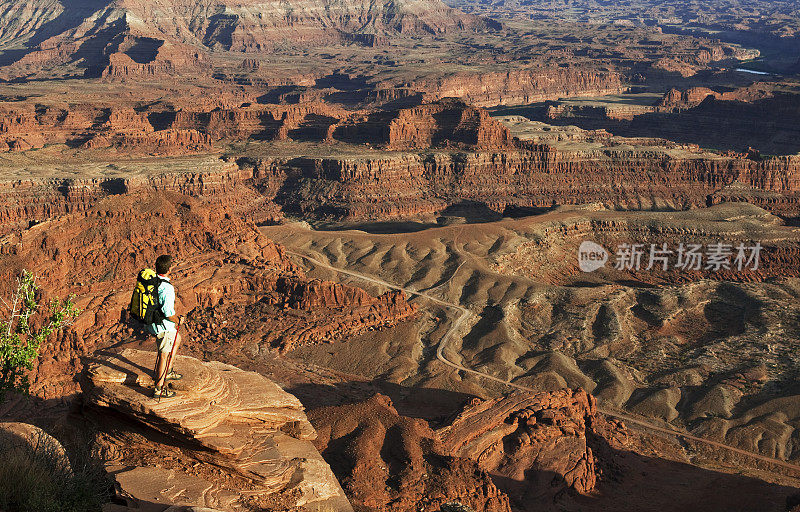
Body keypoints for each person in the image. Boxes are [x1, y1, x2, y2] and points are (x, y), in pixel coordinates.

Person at [148, 254, 184, 399]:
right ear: (169, 269)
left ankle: (167, 371)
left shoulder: (152, 281)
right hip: (162, 326)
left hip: (152, 323)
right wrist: (178, 320)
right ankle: (159, 389)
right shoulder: (167, 288)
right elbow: (168, 313)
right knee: (163, 355)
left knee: (177, 339)